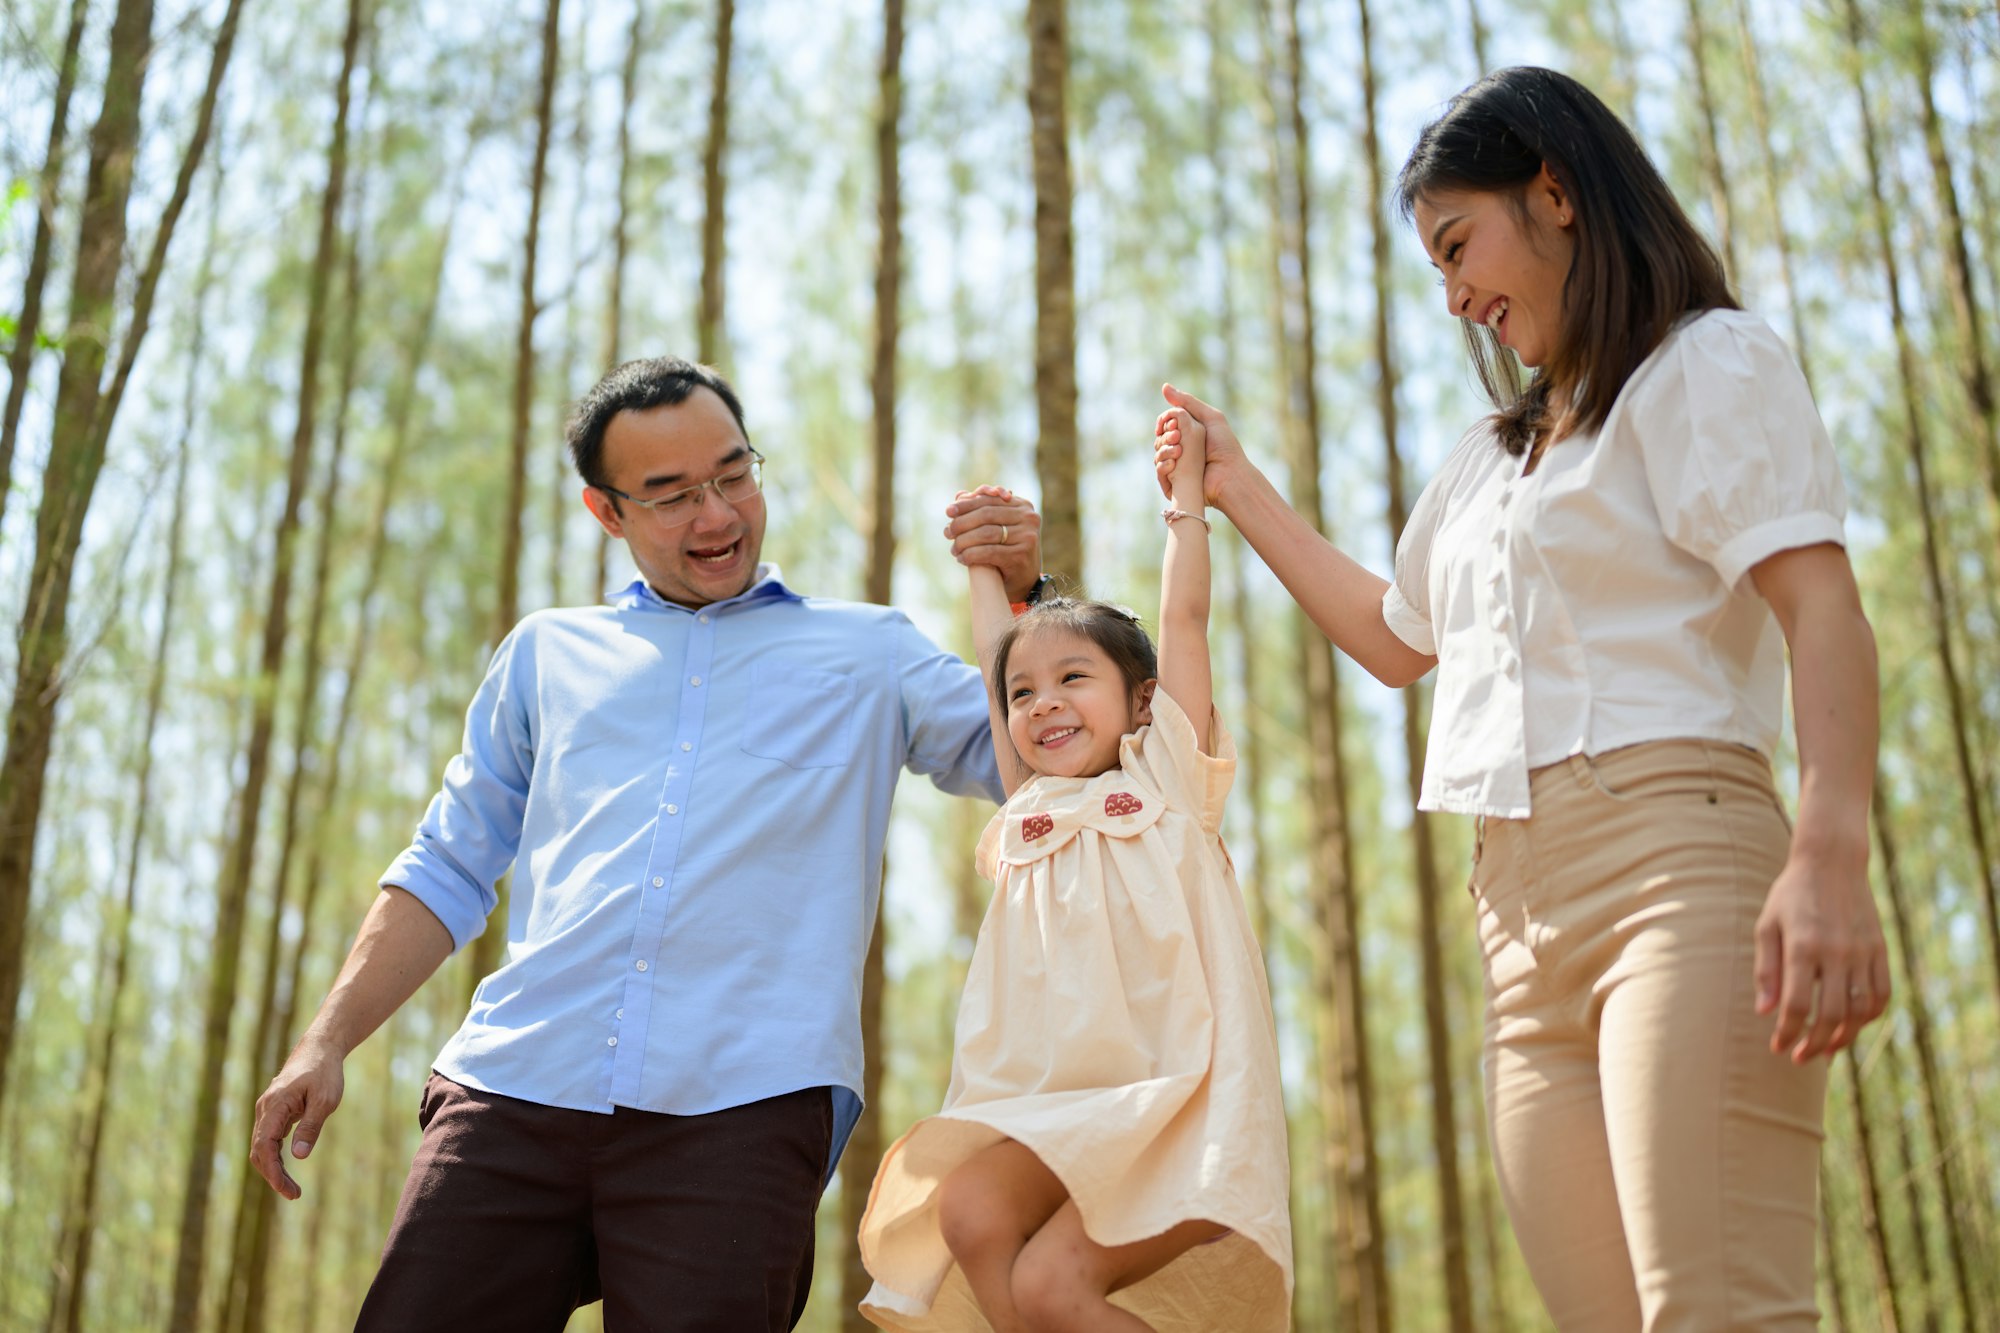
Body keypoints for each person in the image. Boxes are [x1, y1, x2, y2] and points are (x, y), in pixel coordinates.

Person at [1153, 66, 1888, 1333]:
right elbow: (1398, 638)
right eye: (1435, 271)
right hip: (1512, 929)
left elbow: (1819, 604)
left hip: (1679, 867)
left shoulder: (1697, 365)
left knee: (1715, 1313)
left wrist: (1827, 849)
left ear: (1552, 190)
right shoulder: (1492, 455)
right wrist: (1234, 485)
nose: (1455, 297)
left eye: (1457, 244)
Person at [248, 356, 1050, 1330]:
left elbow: (1040, 769)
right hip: (510, 1087)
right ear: (606, 511)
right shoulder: (546, 653)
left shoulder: (869, 651)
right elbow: (448, 862)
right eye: (669, 495)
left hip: (743, 1109)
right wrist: (324, 1040)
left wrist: (1023, 595)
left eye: (732, 475)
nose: (715, 516)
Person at [856, 411, 1292, 1333]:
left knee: (1055, 1286)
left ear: (1141, 702)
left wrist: (1186, 500)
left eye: (1074, 680)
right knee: (971, 1212)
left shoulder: (1169, 779)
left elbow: (1183, 615)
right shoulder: (1030, 810)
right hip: (1064, 1111)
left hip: (1179, 1105)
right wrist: (979, 560)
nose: (1043, 702)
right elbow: (991, 657)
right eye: (1025, 694)